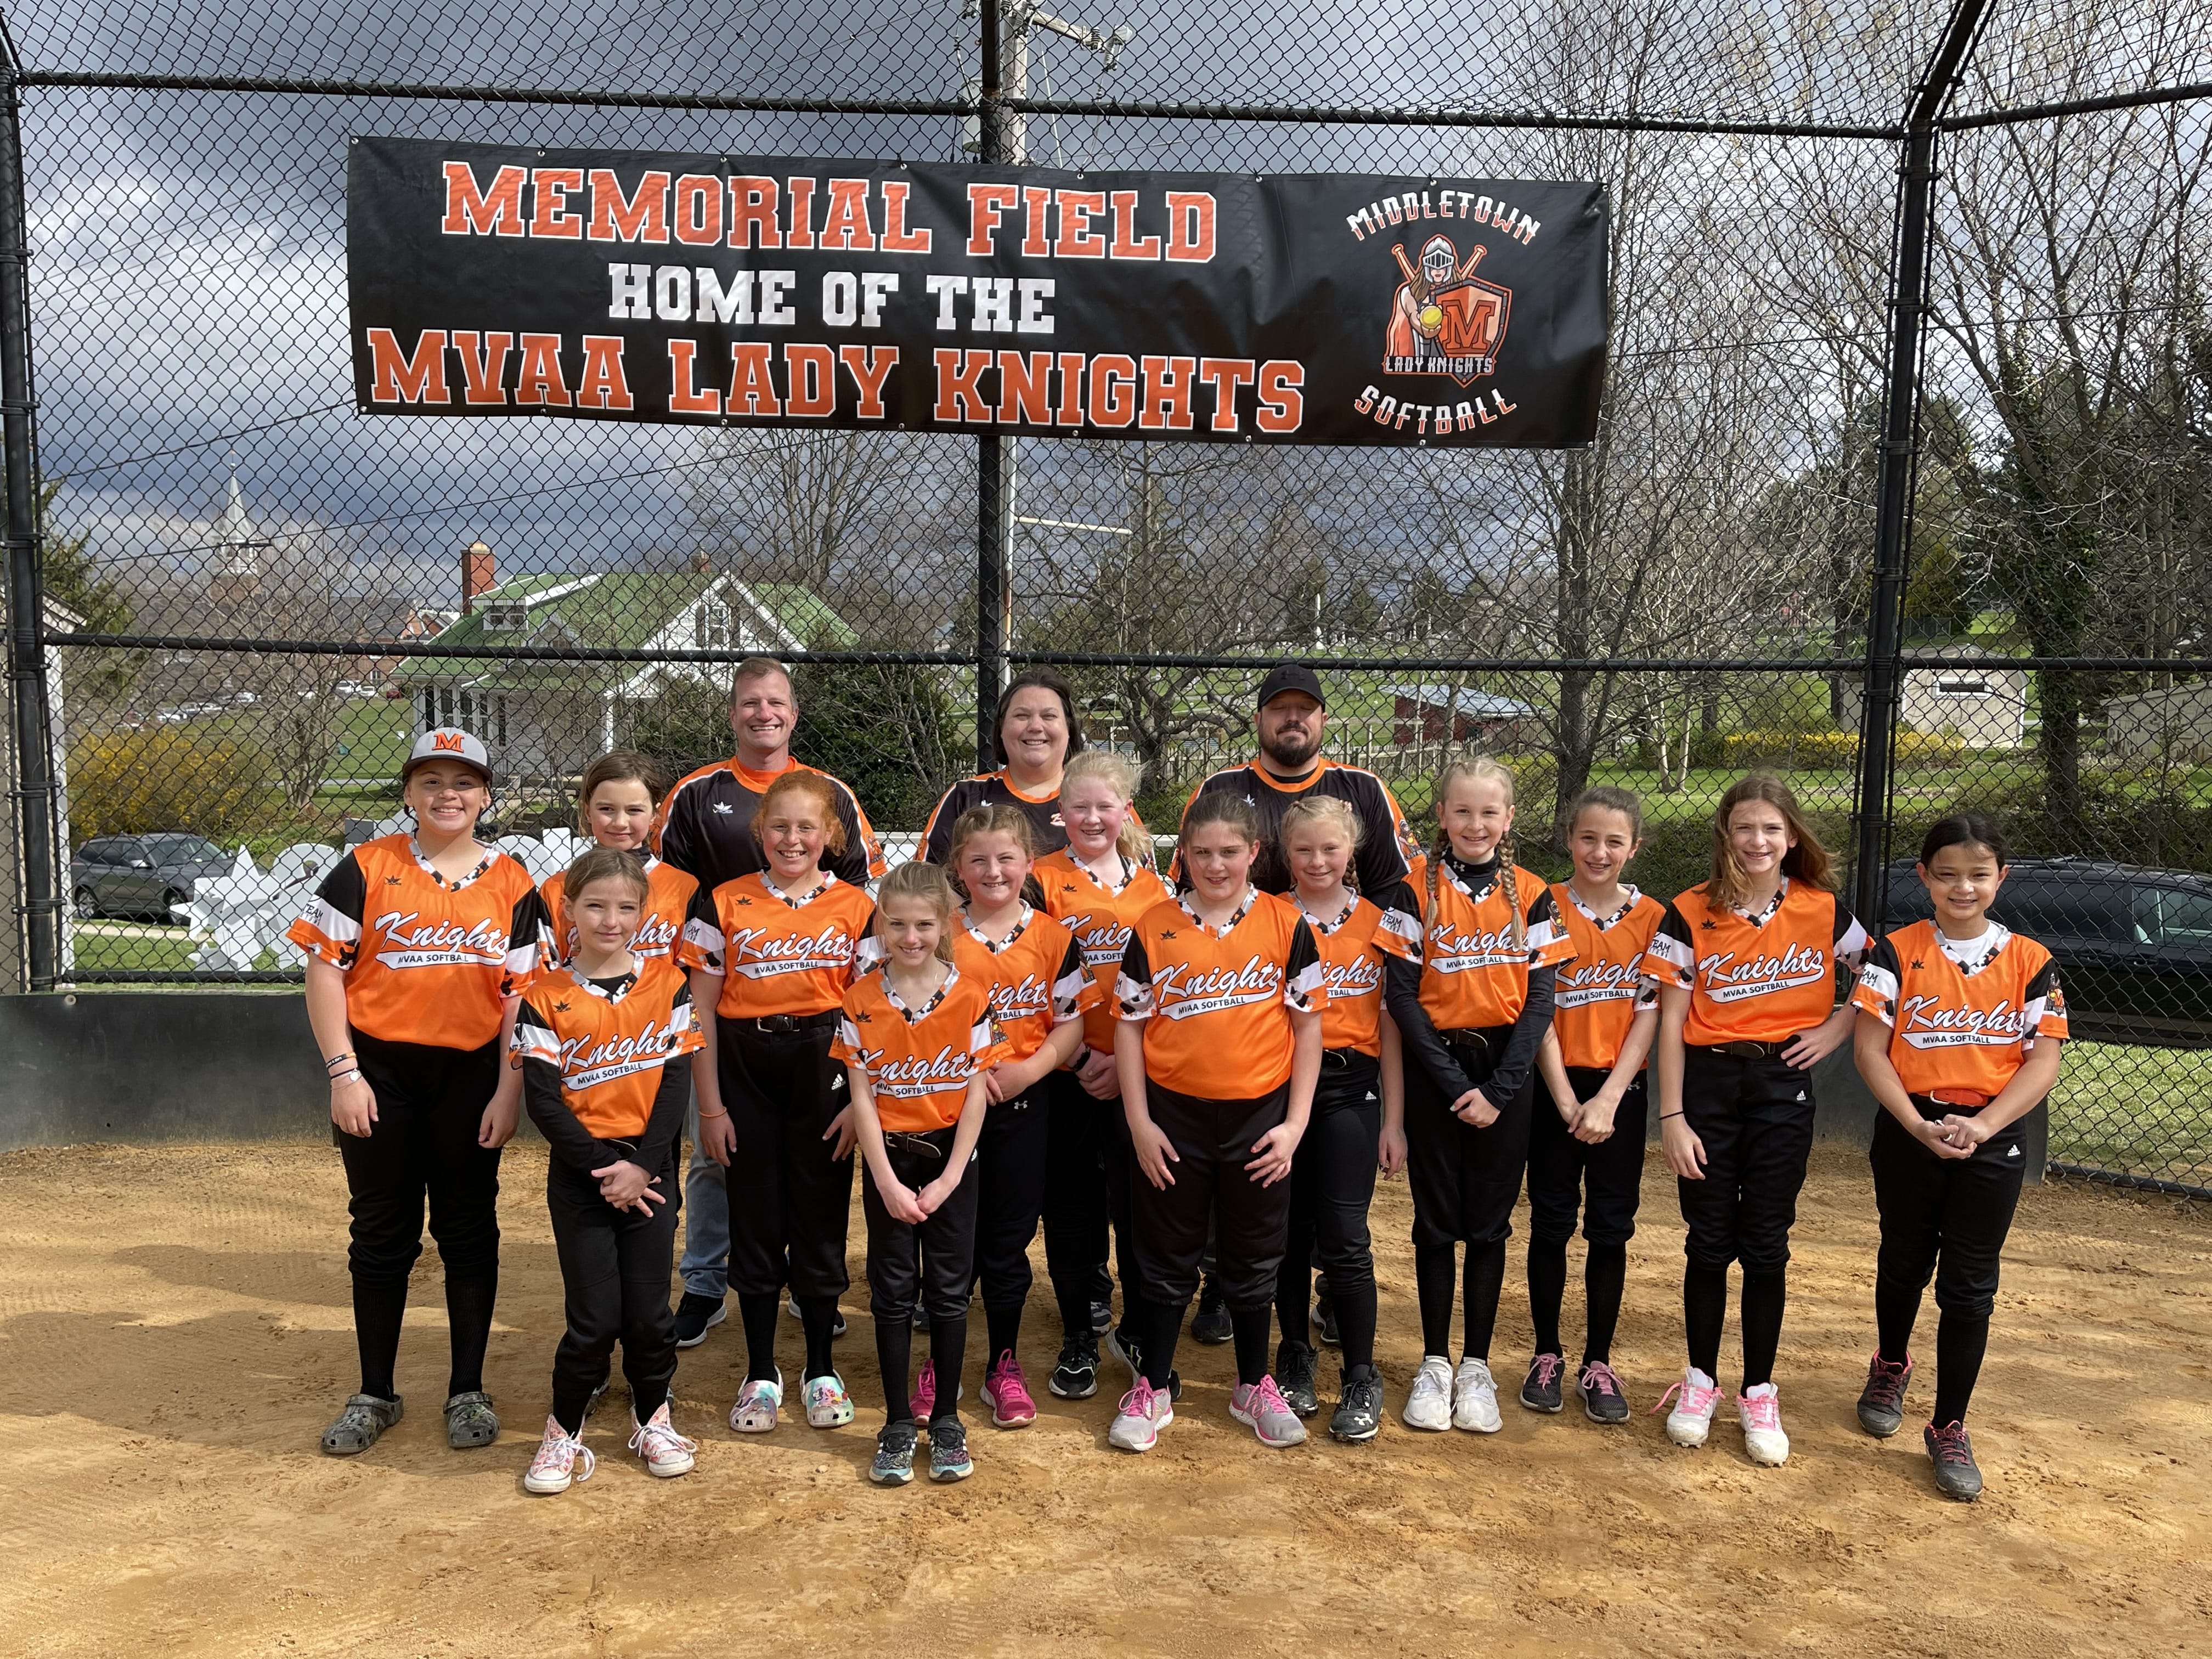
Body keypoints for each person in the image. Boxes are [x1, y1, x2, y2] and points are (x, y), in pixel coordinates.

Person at [289, 727, 549, 1457]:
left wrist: (509, 1090)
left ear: (486, 796)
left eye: (463, 782)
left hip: (470, 1076)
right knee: (381, 1231)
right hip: (380, 1075)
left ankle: (468, 1388)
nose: (447, 795)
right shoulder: (367, 867)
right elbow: (325, 969)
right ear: (408, 792)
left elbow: (519, 995)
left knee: (468, 1228)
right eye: (431, 781)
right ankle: (375, 1392)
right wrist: (343, 1073)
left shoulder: (512, 882)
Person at [1175, 661, 1420, 1341]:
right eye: (1279, 708)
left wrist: (1360, 938)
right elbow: (1190, 892)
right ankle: (1224, 1283)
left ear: (1321, 719)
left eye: (1304, 709)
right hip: (1253, 1017)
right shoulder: (1223, 789)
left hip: (1345, 1017)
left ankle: (1333, 1291)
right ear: (1259, 719)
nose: (1292, 719)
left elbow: (1398, 887)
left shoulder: (1361, 789)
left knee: (1333, 1204)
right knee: (1248, 1180)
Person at [653, 658, 885, 1350]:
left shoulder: (831, 795)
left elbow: (859, 904)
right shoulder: (698, 794)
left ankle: (810, 1293)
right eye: (750, 702)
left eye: (776, 702)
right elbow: (667, 891)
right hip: (731, 1003)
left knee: (817, 1170)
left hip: (819, 1025)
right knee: (720, 1158)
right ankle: (707, 1283)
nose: (764, 713)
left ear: (793, 712)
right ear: (733, 713)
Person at [1642, 773, 1869, 1467]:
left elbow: (1880, 972)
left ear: (1792, 836)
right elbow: (1671, 1022)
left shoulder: (1822, 908)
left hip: (1781, 1083)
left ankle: (1759, 1391)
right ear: (1726, 834)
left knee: (1767, 1242)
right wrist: (1672, 1116)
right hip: (1707, 1084)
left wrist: (1836, 1028)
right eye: (1745, 826)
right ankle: (1700, 1382)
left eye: (1772, 828)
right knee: (1709, 1240)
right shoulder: (1689, 911)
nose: (1758, 840)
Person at [1849, 814, 2068, 1501]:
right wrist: (1918, 1125)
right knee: (1903, 1257)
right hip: (1911, 1127)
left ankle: (1949, 1424)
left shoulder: (2030, 961)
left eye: (1978, 875)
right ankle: (1890, 1364)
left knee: (1970, 1285)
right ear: (1924, 877)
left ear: (2002, 878)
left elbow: (2043, 1061)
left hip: (1991, 1134)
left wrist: (1985, 1126)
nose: (1962, 887)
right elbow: (1869, 1050)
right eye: (1947, 875)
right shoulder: (1896, 951)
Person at [1108, 793, 1325, 1454]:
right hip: (1173, 1116)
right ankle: (1153, 1385)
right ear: (1184, 855)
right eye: (1201, 852)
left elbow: (1308, 1029)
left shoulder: (1286, 924)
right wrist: (1139, 1122)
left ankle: (1254, 1383)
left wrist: (1295, 1126)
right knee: (1166, 1253)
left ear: (1254, 853)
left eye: (1230, 852)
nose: (1215, 865)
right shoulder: (1154, 925)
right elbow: (1128, 1029)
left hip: (1260, 1116)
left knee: (1255, 1253)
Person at [680, 770, 875, 1437]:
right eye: (779, 827)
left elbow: (871, 1013)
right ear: (759, 832)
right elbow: (701, 1010)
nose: (793, 839)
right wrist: (710, 1107)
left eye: (807, 827)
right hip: (745, 1061)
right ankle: (761, 1371)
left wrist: (860, 1102)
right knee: (755, 1211)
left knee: (820, 1209)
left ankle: (820, 1366)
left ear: (830, 835)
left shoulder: (856, 906)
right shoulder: (723, 900)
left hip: (825, 1060)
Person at [1383, 757, 1572, 1436]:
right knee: (1436, 1223)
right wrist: (1456, 1084)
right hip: (1438, 1071)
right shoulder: (1412, 892)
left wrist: (1499, 1088)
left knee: (1490, 1225)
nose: (1475, 823)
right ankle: (1435, 1362)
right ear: (1442, 816)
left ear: (1509, 819)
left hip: (1505, 1075)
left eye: (1489, 812)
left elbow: (1542, 1002)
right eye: (1462, 811)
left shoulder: (1534, 894)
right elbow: (1401, 998)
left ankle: (1476, 1367)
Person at [516, 847, 703, 1494]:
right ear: (568, 910)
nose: (609, 920)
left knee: (650, 1315)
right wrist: (607, 1169)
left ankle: (654, 1418)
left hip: (650, 1170)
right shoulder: (545, 995)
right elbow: (543, 1100)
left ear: (643, 913)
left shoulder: (668, 983)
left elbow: (675, 1084)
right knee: (595, 1319)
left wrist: (643, 1167)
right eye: (594, 906)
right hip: (583, 1173)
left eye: (625, 908)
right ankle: (562, 1430)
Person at [918, 805, 1095, 1431]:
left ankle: (1003, 1363)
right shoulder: (939, 933)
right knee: (950, 1243)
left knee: (1006, 1241)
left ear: (1028, 863)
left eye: (1006, 859)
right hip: (948, 1109)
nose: (993, 871)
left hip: (1022, 1105)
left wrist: (1029, 1069)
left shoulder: (1053, 937)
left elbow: (1071, 1023)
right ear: (957, 868)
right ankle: (939, 1363)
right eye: (978, 860)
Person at [834, 861, 1004, 1486]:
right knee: (893, 1290)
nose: (911, 937)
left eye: (925, 925)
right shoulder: (859, 999)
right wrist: (883, 1180)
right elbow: (861, 1097)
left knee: (950, 1292)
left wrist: (953, 1176)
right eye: (898, 924)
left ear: (944, 925)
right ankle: (898, 1423)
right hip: (890, 1161)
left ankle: (949, 1421)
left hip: (951, 1161)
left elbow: (977, 1092)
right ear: (881, 924)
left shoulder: (971, 994)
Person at [1273, 796, 1417, 1442]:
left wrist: (1394, 1120)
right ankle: (1295, 1354)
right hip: (1280, 1091)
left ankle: (1360, 1372)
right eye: (1303, 849)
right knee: (1286, 1232)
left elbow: (1390, 1027)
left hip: (1351, 1090)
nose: (1317, 861)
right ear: (1285, 853)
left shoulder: (1380, 924)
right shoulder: (1271, 917)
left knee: (1345, 1236)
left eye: (1330, 848)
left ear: (1352, 850)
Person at [1034, 750, 1172, 1402]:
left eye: (1104, 806)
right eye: (1079, 807)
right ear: (1059, 812)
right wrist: (1083, 1058)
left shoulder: (1155, 889)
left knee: (1139, 1203)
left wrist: (1125, 1063)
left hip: (1135, 1073)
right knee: (1070, 1206)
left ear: (1126, 812)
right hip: (1067, 1069)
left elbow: (1171, 987)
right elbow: (1025, 980)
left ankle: (1137, 1329)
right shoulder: (1040, 880)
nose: (1092, 818)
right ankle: (1078, 1336)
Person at [1527, 787, 1662, 1425]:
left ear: (1634, 848)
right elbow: (1538, 1009)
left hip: (1620, 1091)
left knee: (1610, 1226)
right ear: (1569, 839)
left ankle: (1598, 1361)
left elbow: (1650, 1012)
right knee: (1551, 1221)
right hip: (1554, 1085)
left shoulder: (1655, 917)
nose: (1599, 852)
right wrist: (1565, 1100)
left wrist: (1608, 1098)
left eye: (1614, 842)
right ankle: (1546, 1353)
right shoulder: (1544, 907)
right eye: (1588, 838)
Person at [921, 668, 1096, 862]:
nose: (1035, 727)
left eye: (1049, 716)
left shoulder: (1101, 798)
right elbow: (926, 879)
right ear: (1002, 728)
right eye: (1022, 716)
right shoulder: (965, 797)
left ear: (1069, 728)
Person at [540, 751, 696, 966]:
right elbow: (545, 972)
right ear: (587, 811)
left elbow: (690, 972)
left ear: (654, 814)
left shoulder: (683, 888)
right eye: (607, 809)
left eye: (634, 810)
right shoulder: (557, 889)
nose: (620, 822)